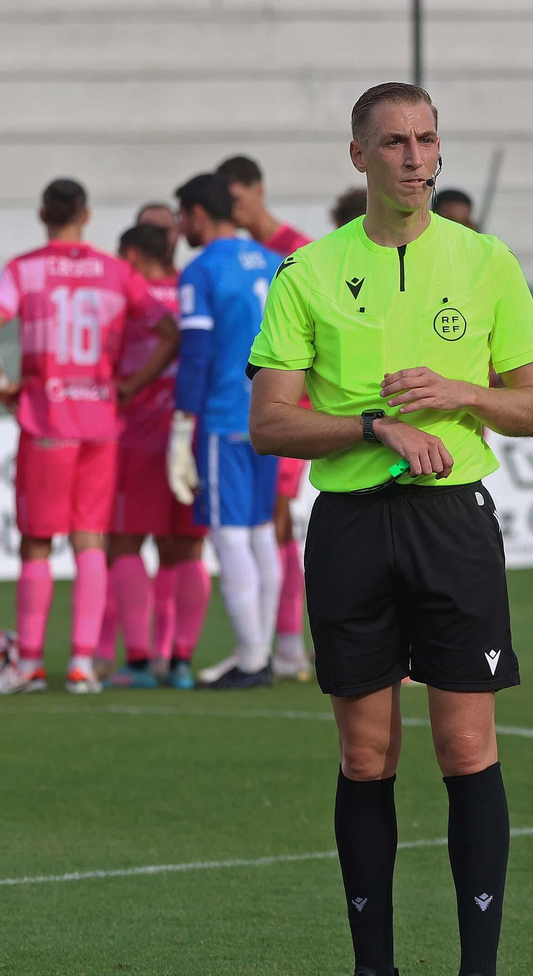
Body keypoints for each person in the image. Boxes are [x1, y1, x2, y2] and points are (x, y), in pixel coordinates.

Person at [247, 82, 533, 976]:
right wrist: (375, 426)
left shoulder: (487, 261)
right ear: (359, 158)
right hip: (350, 529)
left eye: (427, 141)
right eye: (395, 142)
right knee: (364, 754)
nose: (416, 159)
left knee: (466, 747)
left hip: (451, 525)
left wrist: (463, 394)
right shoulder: (306, 272)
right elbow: (270, 424)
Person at [0, 179, 178, 694]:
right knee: (90, 542)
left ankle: (32, 663)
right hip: (100, 420)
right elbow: (169, 332)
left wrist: (1, 386)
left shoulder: (25, 269)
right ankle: (83, 663)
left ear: (43, 214)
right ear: (86, 216)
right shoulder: (116, 272)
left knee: (38, 544)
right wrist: (131, 385)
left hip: (47, 419)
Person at [168, 173, 283, 689]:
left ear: (197, 213)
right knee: (261, 530)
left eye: (182, 215)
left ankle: (254, 657)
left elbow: (195, 354)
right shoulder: (272, 260)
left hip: (223, 414)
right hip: (272, 414)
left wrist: (181, 424)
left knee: (229, 532)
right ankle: (258, 652)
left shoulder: (201, 271)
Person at [95, 223, 209, 690]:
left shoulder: (129, 296)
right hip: (194, 430)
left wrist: (126, 389)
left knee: (124, 544)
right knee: (187, 549)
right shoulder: (192, 288)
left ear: (134, 255)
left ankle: (139, 661)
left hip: (140, 434)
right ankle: (179, 660)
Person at [217, 154, 314, 679]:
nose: (232, 210)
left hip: (294, 410)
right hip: (251, 410)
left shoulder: (296, 250)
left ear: (258, 191)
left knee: (276, 523)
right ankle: (283, 648)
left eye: (236, 199)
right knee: (268, 526)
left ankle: (289, 647)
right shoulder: (240, 255)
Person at [216, 155, 312, 256]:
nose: (230, 208)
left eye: (236, 199)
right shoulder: (244, 250)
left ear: (259, 190)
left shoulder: (298, 248)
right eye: (225, 201)